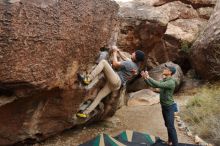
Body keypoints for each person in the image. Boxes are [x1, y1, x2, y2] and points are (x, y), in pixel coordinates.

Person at [77, 46, 145, 118]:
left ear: (136, 57)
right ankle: (85, 113)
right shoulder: (136, 66)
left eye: (134, 53)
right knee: (99, 96)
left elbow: (115, 64)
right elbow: (125, 58)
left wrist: (115, 53)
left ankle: (88, 79)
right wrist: (118, 51)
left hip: (116, 80)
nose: (133, 53)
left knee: (103, 62)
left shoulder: (130, 64)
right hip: (116, 85)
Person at [141, 65, 178, 146]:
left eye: (166, 69)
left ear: (170, 72)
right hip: (164, 106)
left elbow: (158, 84)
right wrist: (145, 78)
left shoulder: (171, 82)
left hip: (169, 107)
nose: (164, 69)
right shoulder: (165, 80)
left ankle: (175, 144)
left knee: (171, 127)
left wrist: (148, 77)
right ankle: (170, 142)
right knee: (168, 125)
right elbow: (154, 85)